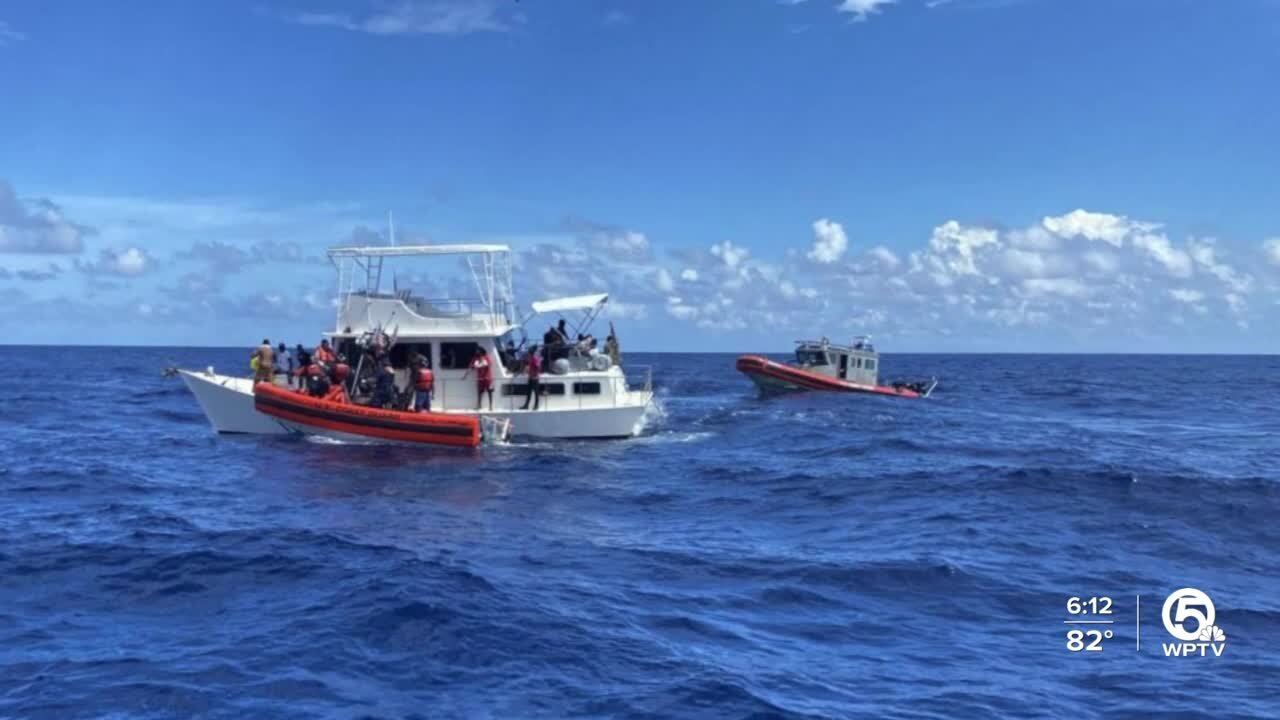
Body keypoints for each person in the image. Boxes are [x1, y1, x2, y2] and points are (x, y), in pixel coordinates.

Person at [463, 347, 494, 411]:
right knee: (480, 392)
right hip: (480, 378)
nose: (477, 352)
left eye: (478, 350)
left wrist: (482, 362)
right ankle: (479, 405)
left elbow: (489, 364)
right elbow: (470, 367)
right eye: (476, 351)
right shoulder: (475, 359)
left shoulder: (486, 357)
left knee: (489, 392)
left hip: (488, 377)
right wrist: (465, 375)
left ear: (481, 351)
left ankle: (491, 406)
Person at [520, 343, 542, 410]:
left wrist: (535, 373)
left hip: (534, 378)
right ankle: (526, 405)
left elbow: (538, 367)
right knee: (529, 392)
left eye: (529, 353)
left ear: (530, 353)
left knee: (536, 393)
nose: (528, 354)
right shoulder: (531, 359)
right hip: (530, 378)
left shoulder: (534, 359)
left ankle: (536, 406)